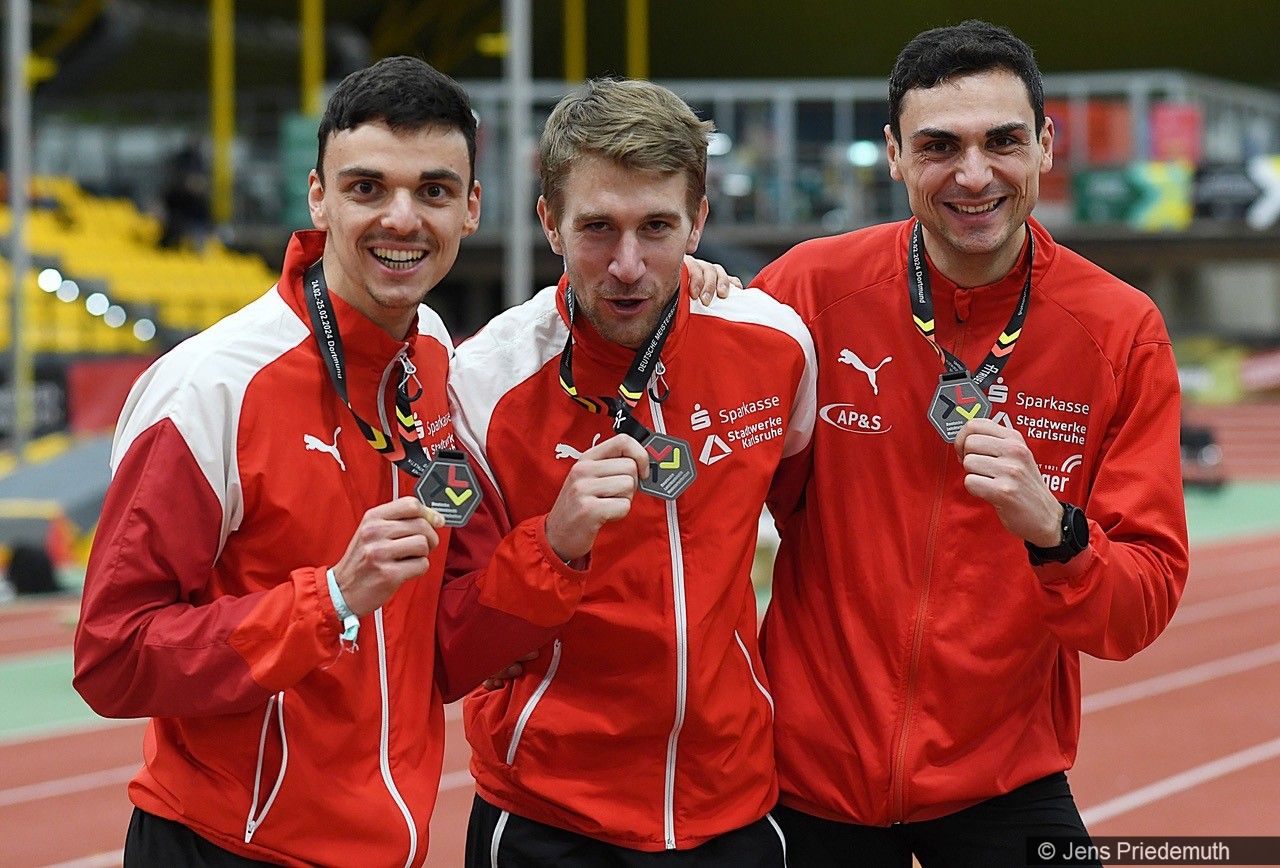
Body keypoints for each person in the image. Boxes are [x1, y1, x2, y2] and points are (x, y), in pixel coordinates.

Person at [73, 56, 646, 867]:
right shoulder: (212, 388)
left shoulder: (432, 356)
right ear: (319, 197)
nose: (401, 219)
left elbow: (445, 648)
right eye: (368, 187)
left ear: (472, 208)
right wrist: (331, 599)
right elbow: (112, 656)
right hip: (230, 849)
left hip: (389, 847)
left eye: (434, 191)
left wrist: (555, 548)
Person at [746, 20, 1190, 867]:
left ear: (1046, 145)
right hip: (806, 776)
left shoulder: (1119, 332)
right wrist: (696, 296)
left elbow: (1139, 608)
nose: (975, 175)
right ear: (894, 154)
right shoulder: (806, 291)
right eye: (940, 146)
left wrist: (1053, 530)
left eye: (1003, 142)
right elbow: (704, 462)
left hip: (1003, 779)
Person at [448, 78, 816, 865]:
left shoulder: (775, 344)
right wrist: (555, 542)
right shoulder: (481, 385)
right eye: (597, 228)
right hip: (549, 818)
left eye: (656, 227)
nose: (626, 265)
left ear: (698, 222)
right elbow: (453, 637)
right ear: (548, 222)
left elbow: (815, 527)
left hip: (734, 805)